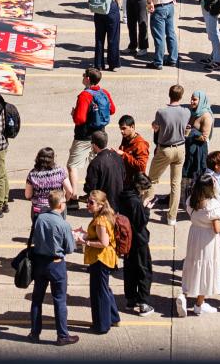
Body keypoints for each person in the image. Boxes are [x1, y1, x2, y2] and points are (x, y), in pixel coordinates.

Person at [28, 190, 78, 345]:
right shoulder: (63, 224)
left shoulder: (40, 218)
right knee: (60, 300)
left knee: (37, 300)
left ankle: (34, 333)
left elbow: (35, 237)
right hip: (56, 264)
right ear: (61, 205)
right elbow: (70, 248)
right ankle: (62, 335)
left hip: (40, 263)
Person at [177, 175, 220, 317]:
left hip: (195, 235)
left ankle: (184, 295)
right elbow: (217, 229)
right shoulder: (212, 205)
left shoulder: (191, 201)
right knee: (206, 269)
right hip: (208, 239)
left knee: (193, 265)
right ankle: (199, 304)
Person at [77, 190, 121, 334]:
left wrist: (85, 241)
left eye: (91, 203)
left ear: (101, 205)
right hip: (103, 258)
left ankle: (102, 325)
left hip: (101, 259)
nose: (87, 205)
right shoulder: (102, 216)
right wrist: (85, 234)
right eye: (87, 201)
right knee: (104, 289)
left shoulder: (101, 220)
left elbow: (103, 242)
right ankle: (113, 317)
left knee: (99, 292)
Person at [68, 70, 115, 203]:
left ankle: (73, 197)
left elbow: (80, 119)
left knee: (72, 165)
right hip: (100, 135)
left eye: (83, 76)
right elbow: (112, 110)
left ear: (88, 79)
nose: (82, 77)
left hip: (84, 136)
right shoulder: (104, 92)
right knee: (95, 165)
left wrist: (73, 113)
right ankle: (95, 196)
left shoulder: (85, 95)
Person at [148, 84, 190, 225]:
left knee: (152, 179)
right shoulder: (186, 112)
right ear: (181, 96)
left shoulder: (161, 112)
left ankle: (145, 209)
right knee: (175, 184)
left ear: (169, 94)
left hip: (165, 149)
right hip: (180, 148)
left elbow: (156, 127)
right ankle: (172, 217)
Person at [118, 173, 156, 316]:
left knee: (130, 270)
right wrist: (146, 209)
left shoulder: (123, 196)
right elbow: (141, 221)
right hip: (139, 240)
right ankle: (143, 303)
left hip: (127, 240)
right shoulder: (135, 202)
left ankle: (131, 299)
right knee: (144, 271)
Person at [146, 0, 186, 70]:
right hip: (169, 6)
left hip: (159, 8)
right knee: (171, 33)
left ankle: (158, 61)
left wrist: (150, 3)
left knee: (159, 36)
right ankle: (173, 59)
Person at [26, 147, 73, 226]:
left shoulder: (32, 174)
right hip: (57, 207)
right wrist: (64, 200)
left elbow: (28, 195)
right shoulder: (60, 171)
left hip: (38, 209)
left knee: (39, 231)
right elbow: (70, 191)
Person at [83, 129, 126, 212]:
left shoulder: (95, 163)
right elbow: (124, 176)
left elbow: (91, 187)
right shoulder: (117, 156)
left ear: (94, 145)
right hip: (118, 202)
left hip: (103, 205)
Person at [91, 0, 122, 72]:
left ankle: (98, 64)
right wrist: (119, 6)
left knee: (99, 37)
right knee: (113, 37)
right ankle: (113, 63)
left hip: (98, 9)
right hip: (110, 8)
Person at [182, 91, 214, 198]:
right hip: (189, 147)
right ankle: (184, 196)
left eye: (195, 99)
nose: (192, 101)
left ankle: (195, 197)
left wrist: (191, 132)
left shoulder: (206, 116)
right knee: (186, 171)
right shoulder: (193, 112)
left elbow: (204, 137)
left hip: (198, 150)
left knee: (196, 172)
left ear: (201, 101)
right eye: (191, 98)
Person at [118, 115, 151, 181]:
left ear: (132, 127)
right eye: (120, 129)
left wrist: (124, 155)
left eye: (124, 128)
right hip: (125, 179)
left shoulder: (140, 145)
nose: (121, 131)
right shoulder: (126, 138)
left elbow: (141, 166)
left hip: (134, 183)